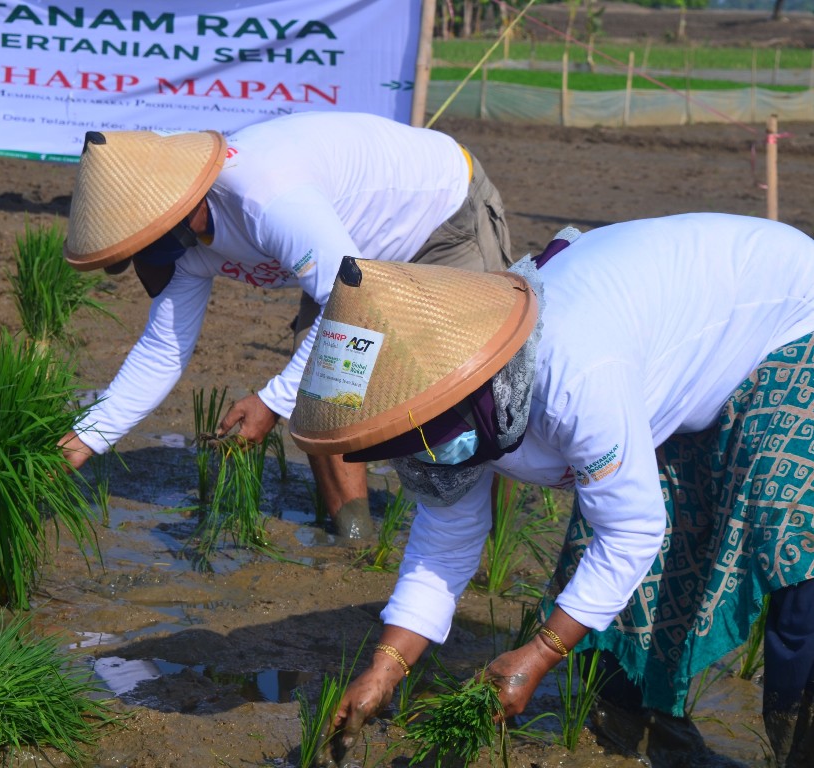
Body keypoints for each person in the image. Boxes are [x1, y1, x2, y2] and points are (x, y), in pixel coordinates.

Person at [288, 212, 814, 768]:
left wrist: (539, 653)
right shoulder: (441, 403)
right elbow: (445, 542)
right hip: (672, 337)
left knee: (788, 542)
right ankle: (638, 723)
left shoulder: (575, 376)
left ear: (467, 390)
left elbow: (632, 530)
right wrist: (384, 669)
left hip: (787, 311)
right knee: (624, 548)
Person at [57, 110, 512, 539]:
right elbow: (162, 351)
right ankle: (354, 537)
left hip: (441, 216)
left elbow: (351, 303)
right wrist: (80, 442)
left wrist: (272, 400)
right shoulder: (180, 241)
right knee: (326, 392)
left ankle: (486, 549)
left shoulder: (267, 198)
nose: (148, 258)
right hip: (346, 257)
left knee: (479, 394)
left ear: (180, 206)